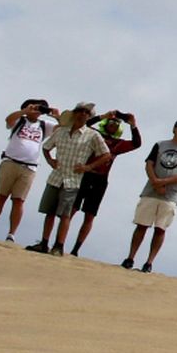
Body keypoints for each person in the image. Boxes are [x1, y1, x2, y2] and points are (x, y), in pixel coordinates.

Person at [25, 103, 109, 256]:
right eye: (80, 111)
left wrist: (88, 167)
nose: (82, 114)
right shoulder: (61, 132)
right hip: (56, 177)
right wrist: (50, 160)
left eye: (86, 112)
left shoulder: (93, 135)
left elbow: (106, 154)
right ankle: (44, 243)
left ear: (89, 116)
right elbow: (46, 147)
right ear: (74, 113)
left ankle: (59, 246)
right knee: (49, 211)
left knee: (65, 214)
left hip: (73, 180)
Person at [122, 118, 177, 273]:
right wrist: (155, 181)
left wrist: (164, 182)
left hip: (170, 195)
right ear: (174, 129)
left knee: (160, 228)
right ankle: (130, 257)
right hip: (151, 191)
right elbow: (149, 163)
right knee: (142, 225)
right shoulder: (160, 144)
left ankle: (149, 262)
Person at [68, 110, 143, 257]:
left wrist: (133, 124)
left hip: (101, 179)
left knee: (90, 215)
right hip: (85, 175)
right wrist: (103, 116)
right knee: (72, 209)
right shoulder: (95, 135)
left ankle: (76, 248)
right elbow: (85, 124)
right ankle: (60, 241)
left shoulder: (118, 144)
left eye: (116, 123)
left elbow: (136, 143)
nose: (113, 125)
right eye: (111, 122)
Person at [0, 99, 59, 243]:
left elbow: (62, 130)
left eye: (41, 108)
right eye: (36, 107)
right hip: (10, 162)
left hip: (29, 167)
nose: (38, 110)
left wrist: (57, 116)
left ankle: (11, 234)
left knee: (19, 200)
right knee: (1, 196)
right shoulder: (20, 120)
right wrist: (25, 112)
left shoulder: (43, 125)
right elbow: (8, 120)